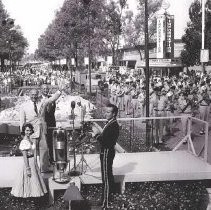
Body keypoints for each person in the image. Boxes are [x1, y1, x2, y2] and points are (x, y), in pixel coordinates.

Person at [20, 81, 66, 173]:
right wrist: (23, 135)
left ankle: (44, 168)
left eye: (35, 95)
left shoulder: (42, 103)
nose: (34, 96)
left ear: (38, 95)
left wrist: (59, 91)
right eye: (32, 95)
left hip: (41, 131)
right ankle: (33, 169)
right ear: (29, 95)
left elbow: (52, 99)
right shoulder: (23, 106)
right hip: (31, 133)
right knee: (32, 153)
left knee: (44, 151)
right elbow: (22, 122)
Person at [91, 103, 119, 209]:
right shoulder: (111, 123)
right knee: (107, 176)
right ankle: (107, 199)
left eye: (108, 112)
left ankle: (105, 203)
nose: (105, 114)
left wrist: (97, 135)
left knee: (106, 178)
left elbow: (106, 142)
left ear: (114, 114)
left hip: (107, 152)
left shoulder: (113, 125)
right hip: (106, 152)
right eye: (105, 111)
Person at [11, 123, 47, 197]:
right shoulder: (24, 141)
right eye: (27, 130)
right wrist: (28, 168)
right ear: (24, 131)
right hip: (28, 162)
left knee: (34, 181)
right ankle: (28, 197)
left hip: (32, 162)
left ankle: (33, 197)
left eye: (30, 130)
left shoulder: (30, 139)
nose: (29, 132)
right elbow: (24, 156)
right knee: (29, 180)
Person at [41, 84, 56, 164]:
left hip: (51, 123)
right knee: (44, 143)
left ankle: (51, 159)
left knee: (51, 142)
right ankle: (44, 160)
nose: (46, 90)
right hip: (44, 123)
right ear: (41, 90)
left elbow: (52, 111)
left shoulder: (51, 98)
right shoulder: (39, 99)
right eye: (44, 89)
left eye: (47, 88)